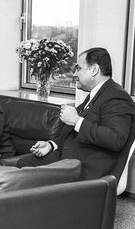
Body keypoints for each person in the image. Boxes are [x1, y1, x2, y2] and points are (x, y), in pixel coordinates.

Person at [17, 47, 135, 180]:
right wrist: (51, 144)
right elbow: (72, 134)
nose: (74, 74)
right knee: (23, 164)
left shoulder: (116, 97)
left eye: (78, 68)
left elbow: (115, 139)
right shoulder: (95, 94)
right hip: (68, 159)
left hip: (87, 168)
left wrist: (76, 121)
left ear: (94, 70)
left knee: (22, 176)